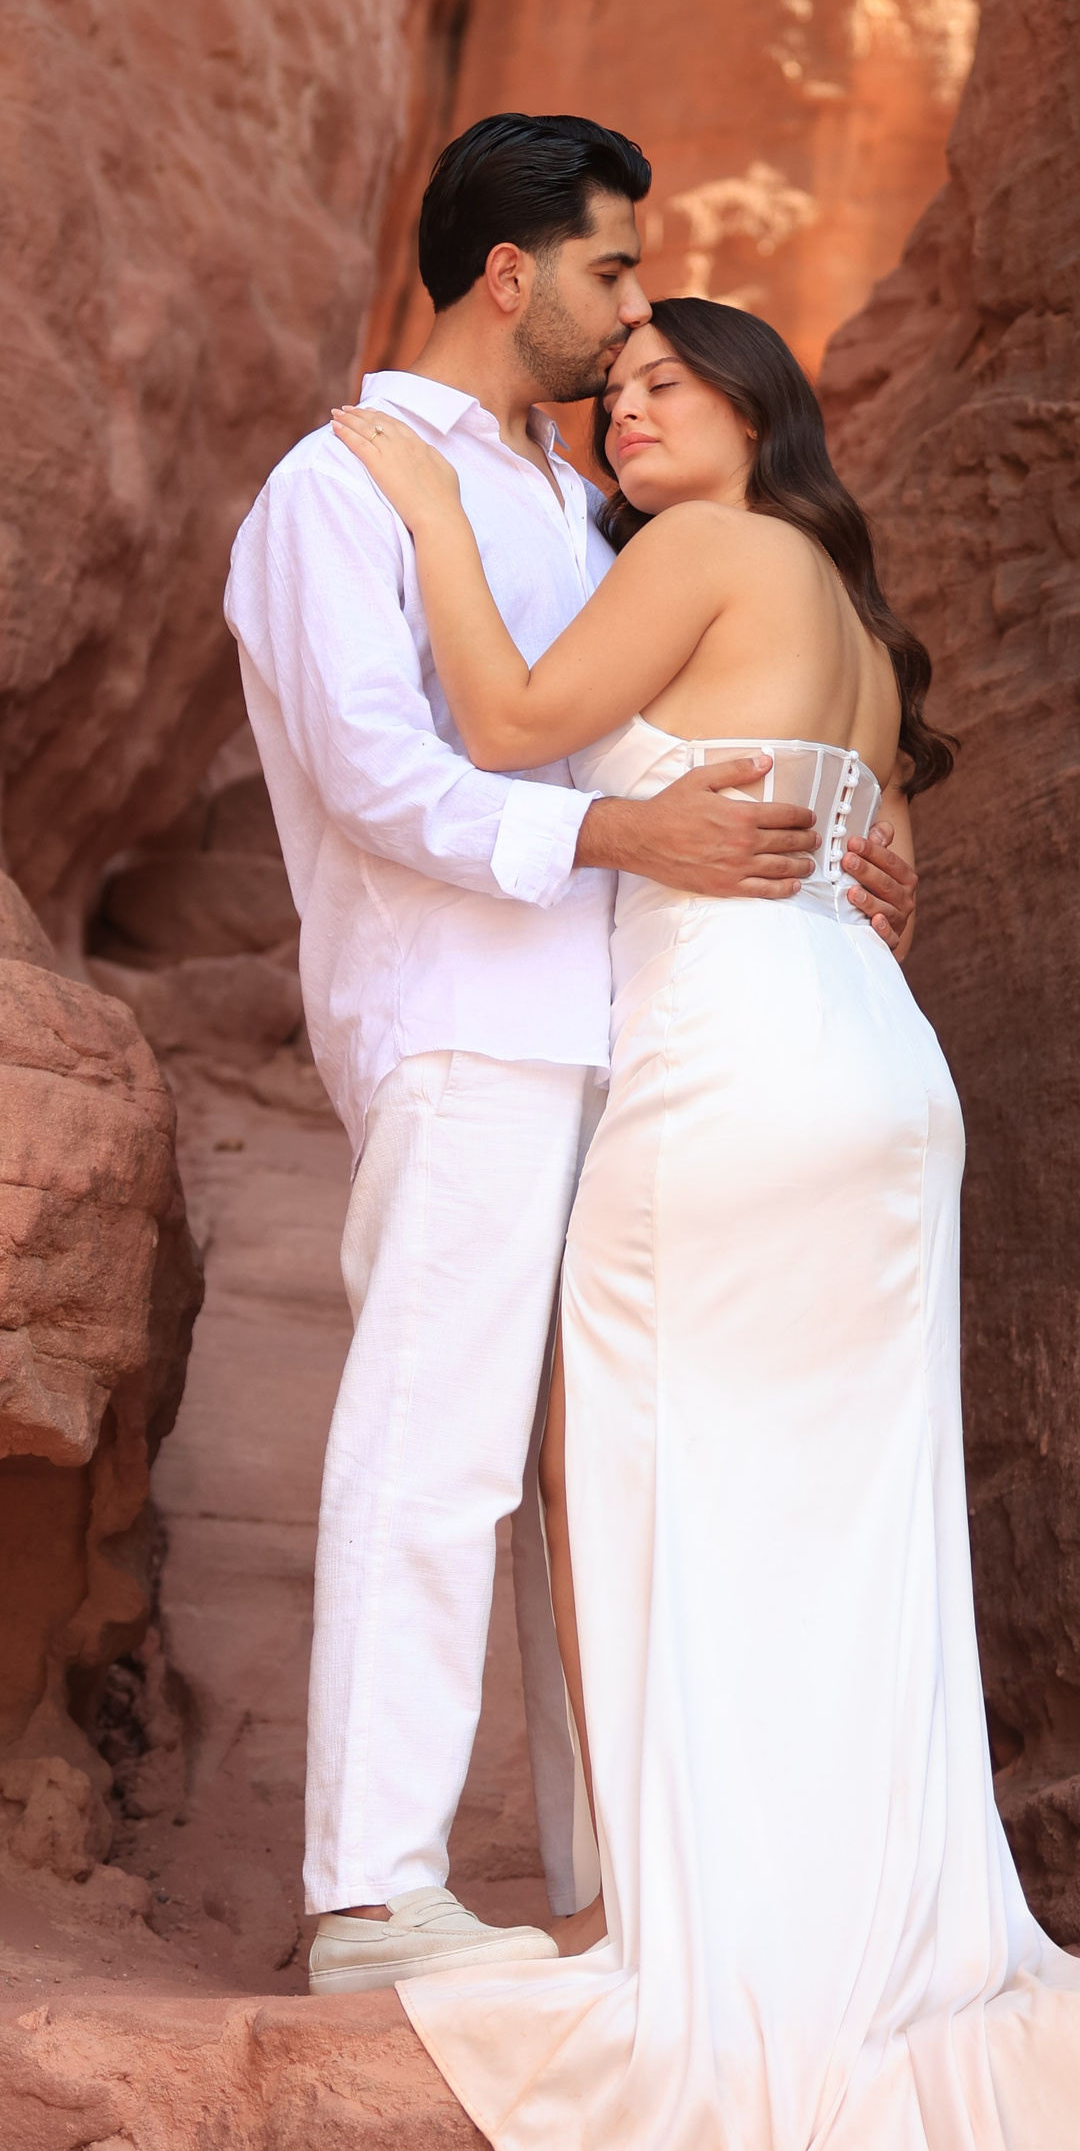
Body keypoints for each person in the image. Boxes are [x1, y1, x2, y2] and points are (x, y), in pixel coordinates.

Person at [326, 298, 1080, 2151]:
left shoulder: (709, 550)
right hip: (877, 1069)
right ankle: (844, 1928)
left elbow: (506, 727)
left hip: (732, 1068)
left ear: (755, 412)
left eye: (671, 384)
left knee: (643, 1479)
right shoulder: (851, 616)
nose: (630, 413)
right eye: (619, 390)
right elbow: (878, 866)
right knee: (847, 1522)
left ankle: (696, 1938)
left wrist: (427, 511)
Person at [223, 117, 916, 1998]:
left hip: (655, 1026)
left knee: (599, 1475)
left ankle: (621, 1882)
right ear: (510, 271)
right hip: (471, 1023)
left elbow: (722, 701)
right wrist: (619, 832)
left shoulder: (578, 502)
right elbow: (379, 776)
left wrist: (857, 841)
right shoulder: (340, 485)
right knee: (439, 1447)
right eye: (614, 271)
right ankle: (374, 1896)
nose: (633, 319)